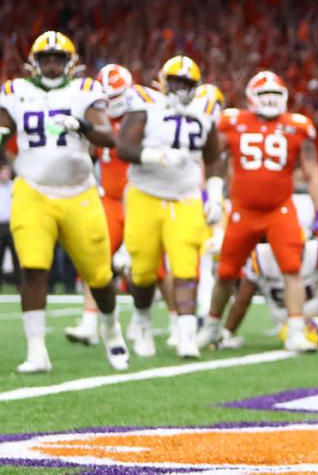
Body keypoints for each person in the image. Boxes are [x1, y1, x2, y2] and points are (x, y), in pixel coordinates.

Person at [0, 31, 130, 372]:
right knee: (32, 267)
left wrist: (80, 124)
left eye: (59, 58)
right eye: (46, 59)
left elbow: (109, 138)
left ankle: (111, 328)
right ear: (34, 63)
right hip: (33, 188)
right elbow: (2, 130)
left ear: (70, 63)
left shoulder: (84, 91)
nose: (53, 64)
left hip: (78, 192)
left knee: (99, 274)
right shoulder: (16, 91)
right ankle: (37, 350)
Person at [198, 70, 318, 353]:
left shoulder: (297, 126)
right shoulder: (233, 122)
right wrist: (208, 192)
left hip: (279, 209)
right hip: (242, 210)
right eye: (264, 95)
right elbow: (209, 159)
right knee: (225, 272)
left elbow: (313, 174)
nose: (270, 100)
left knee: (292, 268)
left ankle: (295, 330)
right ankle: (210, 328)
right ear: (251, 98)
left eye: (275, 94)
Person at [115, 56, 223, 359]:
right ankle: (143, 322)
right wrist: (156, 157)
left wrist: (214, 194)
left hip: (185, 197)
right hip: (145, 194)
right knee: (144, 270)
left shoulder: (205, 109)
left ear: (195, 87)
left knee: (186, 266)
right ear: (163, 80)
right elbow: (123, 147)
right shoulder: (145, 102)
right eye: (175, 81)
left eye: (186, 83)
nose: (179, 88)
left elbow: (214, 157)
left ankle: (187, 336)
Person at [64, 64, 135, 346]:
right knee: (95, 260)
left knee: (149, 268)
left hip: (140, 200)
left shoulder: (140, 118)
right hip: (108, 198)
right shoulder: (96, 119)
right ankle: (90, 323)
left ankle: (150, 321)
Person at [219, 238, 318, 349]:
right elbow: (242, 301)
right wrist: (227, 333)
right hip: (288, 321)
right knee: (305, 336)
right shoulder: (261, 258)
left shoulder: (316, 253)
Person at [0, 163, 13, 291]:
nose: (7, 174)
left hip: (11, 225)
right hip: (0, 226)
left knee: (17, 257)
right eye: (5, 171)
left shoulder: (13, 186)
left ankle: (21, 286)